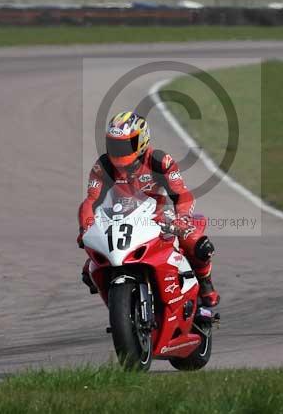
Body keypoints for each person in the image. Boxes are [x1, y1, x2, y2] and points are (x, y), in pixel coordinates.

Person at [77, 111, 220, 307]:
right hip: (118, 219)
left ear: (142, 141)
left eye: (126, 144)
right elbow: (91, 201)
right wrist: (86, 226)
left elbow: (181, 193)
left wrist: (183, 218)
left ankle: (204, 283)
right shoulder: (103, 166)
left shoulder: (159, 160)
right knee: (89, 271)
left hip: (157, 215)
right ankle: (124, 305)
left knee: (199, 244)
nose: (119, 150)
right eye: (115, 144)